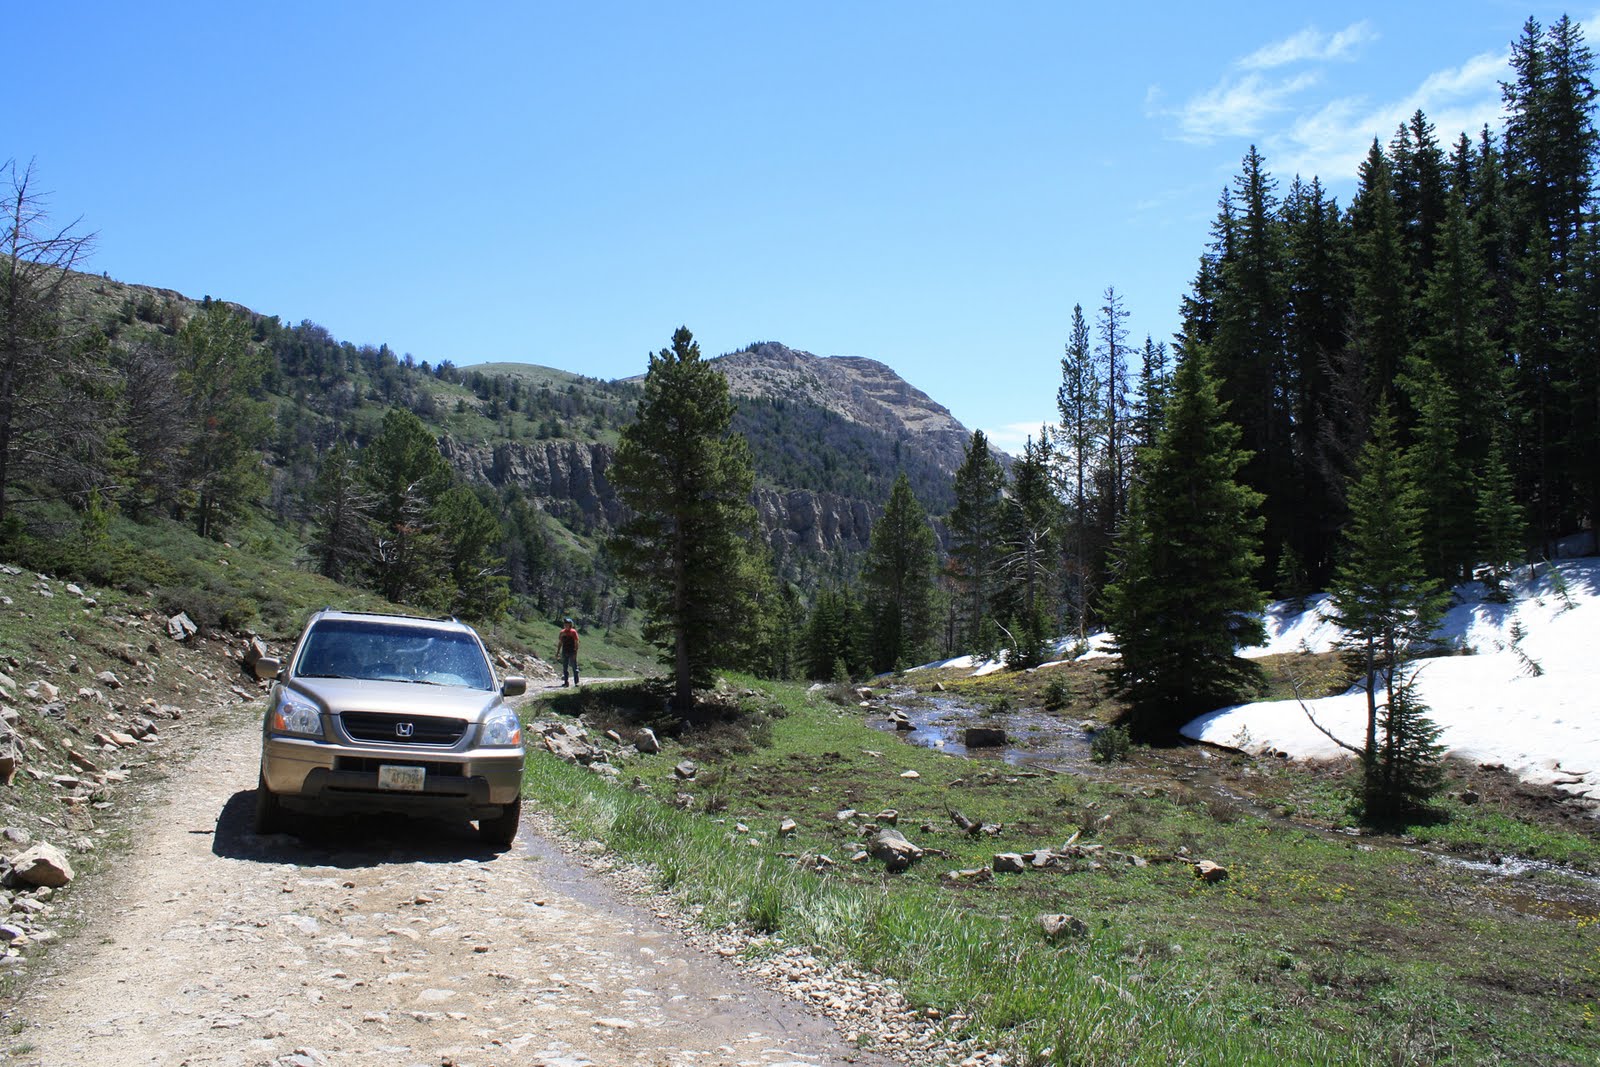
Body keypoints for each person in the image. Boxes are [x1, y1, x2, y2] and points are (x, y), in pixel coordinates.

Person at [557, 618, 580, 686]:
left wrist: (575, 651)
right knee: (565, 667)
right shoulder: (562, 632)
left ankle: (576, 682)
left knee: (574, 667)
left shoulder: (573, 632)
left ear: (570, 625)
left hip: (572, 651)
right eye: (565, 624)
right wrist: (558, 652)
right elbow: (560, 642)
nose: (566, 625)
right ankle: (566, 682)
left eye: (567, 624)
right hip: (565, 651)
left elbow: (576, 642)